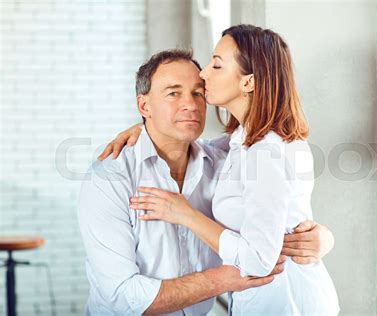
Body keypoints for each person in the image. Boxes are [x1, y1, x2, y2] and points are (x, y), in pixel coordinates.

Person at [79, 49, 334, 316]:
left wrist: (322, 237)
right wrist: (224, 279)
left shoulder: (224, 162)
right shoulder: (109, 177)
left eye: (198, 93)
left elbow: (273, 152)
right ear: (144, 106)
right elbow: (123, 297)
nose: (189, 104)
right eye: (173, 93)